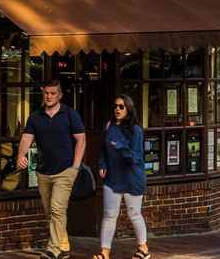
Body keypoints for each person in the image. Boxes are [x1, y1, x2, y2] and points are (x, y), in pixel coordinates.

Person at [17, 81, 86, 259]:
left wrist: (76, 167)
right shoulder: (35, 116)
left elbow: (81, 140)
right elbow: (26, 138)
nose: (49, 96)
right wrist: (21, 154)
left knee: (57, 209)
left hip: (65, 170)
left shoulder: (70, 114)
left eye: (53, 93)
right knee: (50, 212)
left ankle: (53, 250)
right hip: (43, 171)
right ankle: (63, 247)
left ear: (60, 95)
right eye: (46, 93)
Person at [93, 95, 150, 259]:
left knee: (134, 214)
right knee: (109, 214)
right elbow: (103, 149)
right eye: (115, 106)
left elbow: (137, 157)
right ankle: (104, 252)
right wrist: (102, 164)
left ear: (129, 109)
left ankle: (144, 249)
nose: (117, 109)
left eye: (121, 106)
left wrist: (120, 147)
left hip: (132, 177)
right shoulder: (108, 126)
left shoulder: (136, 130)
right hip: (113, 177)